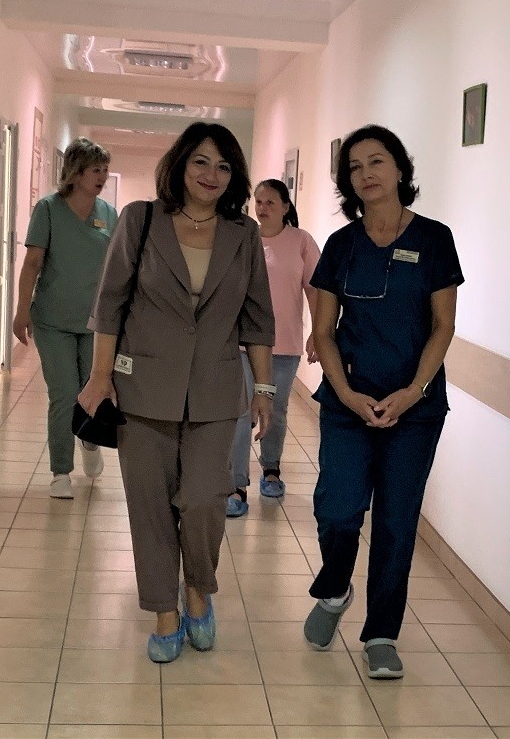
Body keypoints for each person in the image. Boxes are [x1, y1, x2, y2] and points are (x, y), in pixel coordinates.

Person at [78, 122, 275, 664]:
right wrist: (99, 376)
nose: (212, 175)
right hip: (142, 388)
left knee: (206, 499)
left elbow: (258, 317)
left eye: (224, 166)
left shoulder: (243, 234)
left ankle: (198, 590)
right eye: (201, 162)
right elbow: (110, 302)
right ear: (180, 164)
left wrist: (263, 387)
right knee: (149, 505)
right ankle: (165, 611)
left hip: (215, 391)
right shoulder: (140, 220)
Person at [302, 124, 463, 679]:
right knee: (338, 509)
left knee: (396, 522)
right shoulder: (341, 246)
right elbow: (323, 331)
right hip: (348, 403)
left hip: (414, 411)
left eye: (376, 161)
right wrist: (346, 393)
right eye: (354, 167)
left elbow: (443, 325)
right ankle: (335, 589)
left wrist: (413, 391)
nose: (366, 174)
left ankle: (381, 635)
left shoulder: (435, 239)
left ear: (399, 168)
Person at [13, 137, 116, 499]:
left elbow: (118, 268)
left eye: (105, 170)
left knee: (93, 391)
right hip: (53, 319)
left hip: (96, 323)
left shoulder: (108, 214)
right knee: (63, 393)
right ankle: (60, 472)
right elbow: (32, 263)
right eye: (95, 170)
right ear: (75, 172)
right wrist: (21, 309)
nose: (102, 177)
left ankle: (90, 439)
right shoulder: (48, 209)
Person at [227, 179, 321, 517]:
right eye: (258, 201)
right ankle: (236, 485)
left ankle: (271, 469)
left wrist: (319, 332)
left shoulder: (301, 241)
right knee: (241, 412)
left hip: (284, 344)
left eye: (270, 202)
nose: (262, 207)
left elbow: (315, 289)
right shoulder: (243, 237)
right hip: (243, 343)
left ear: (285, 206)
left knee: (275, 410)